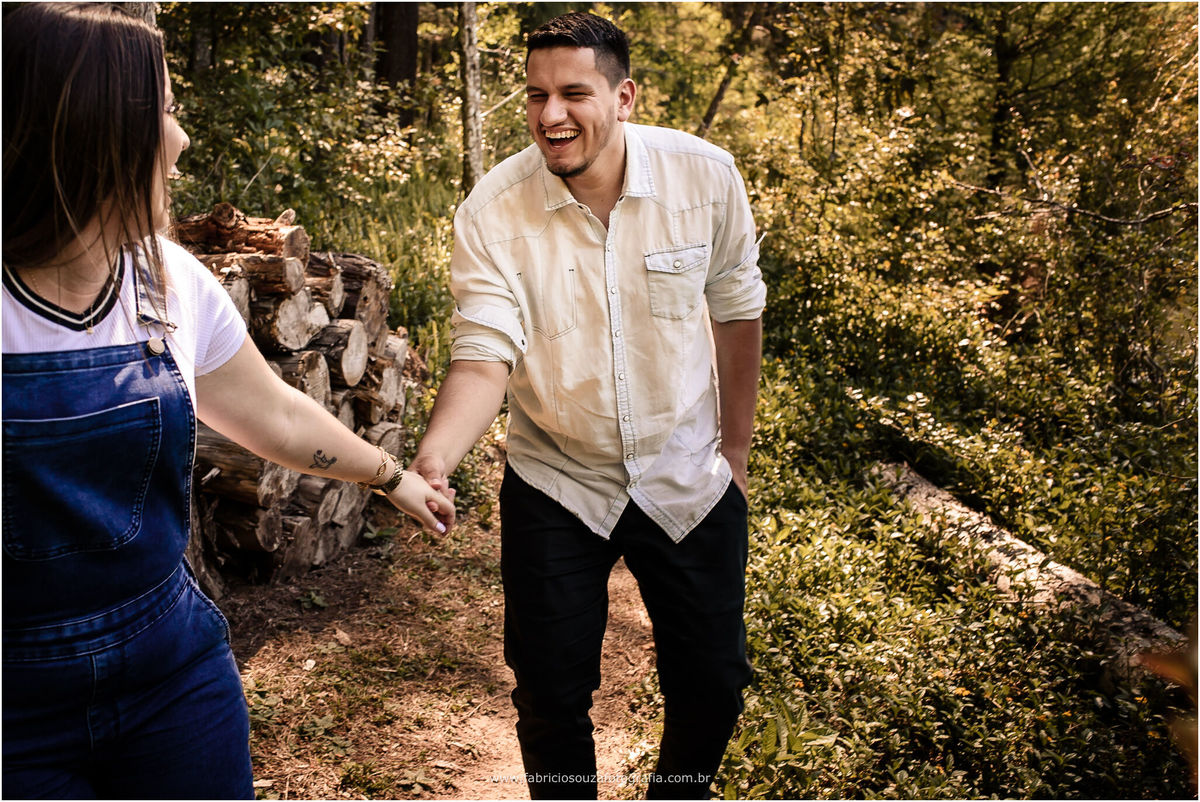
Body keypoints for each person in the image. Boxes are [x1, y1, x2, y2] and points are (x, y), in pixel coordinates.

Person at [1, 4, 453, 798]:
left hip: (171, 677)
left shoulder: (170, 281)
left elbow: (273, 413)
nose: (180, 141)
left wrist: (391, 477)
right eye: (166, 112)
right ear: (93, 129)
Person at [411, 11, 766, 800]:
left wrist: (735, 451)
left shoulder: (705, 178)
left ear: (624, 97)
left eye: (574, 93)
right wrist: (435, 458)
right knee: (549, 694)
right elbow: (484, 353)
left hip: (685, 470)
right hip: (556, 477)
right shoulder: (492, 211)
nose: (551, 115)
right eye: (536, 95)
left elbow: (737, 310)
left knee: (713, 682)